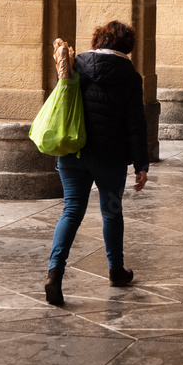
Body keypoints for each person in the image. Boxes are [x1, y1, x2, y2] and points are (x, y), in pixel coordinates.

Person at [45, 21, 149, 306]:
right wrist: (142, 163)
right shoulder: (130, 76)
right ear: (127, 46)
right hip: (110, 157)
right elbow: (135, 124)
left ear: (97, 41)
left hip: (73, 152)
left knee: (71, 211)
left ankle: (55, 273)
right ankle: (116, 270)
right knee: (111, 212)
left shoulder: (77, 63)